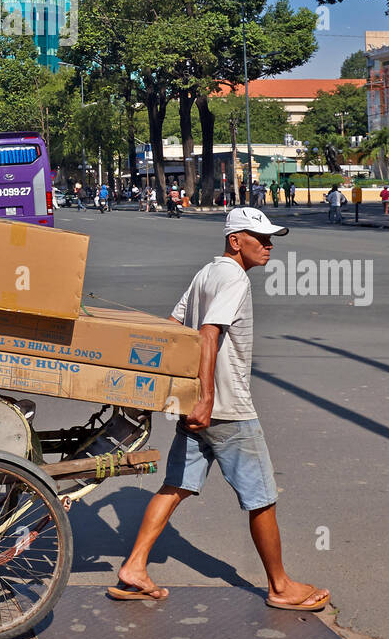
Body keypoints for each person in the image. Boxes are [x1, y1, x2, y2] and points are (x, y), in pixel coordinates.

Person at [111, 206, 330, 613]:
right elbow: (208, 333)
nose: (268, 246)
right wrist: (208, 397)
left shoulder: (205, 273)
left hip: (197, 404)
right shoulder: (233, 278)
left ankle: (135, 567)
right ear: (235, 240)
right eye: (260, 238)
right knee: (262, 496)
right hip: (226, 409)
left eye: (270, 239)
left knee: (175, 486)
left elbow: (175, 326)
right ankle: (280, 586)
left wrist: (178, 393)